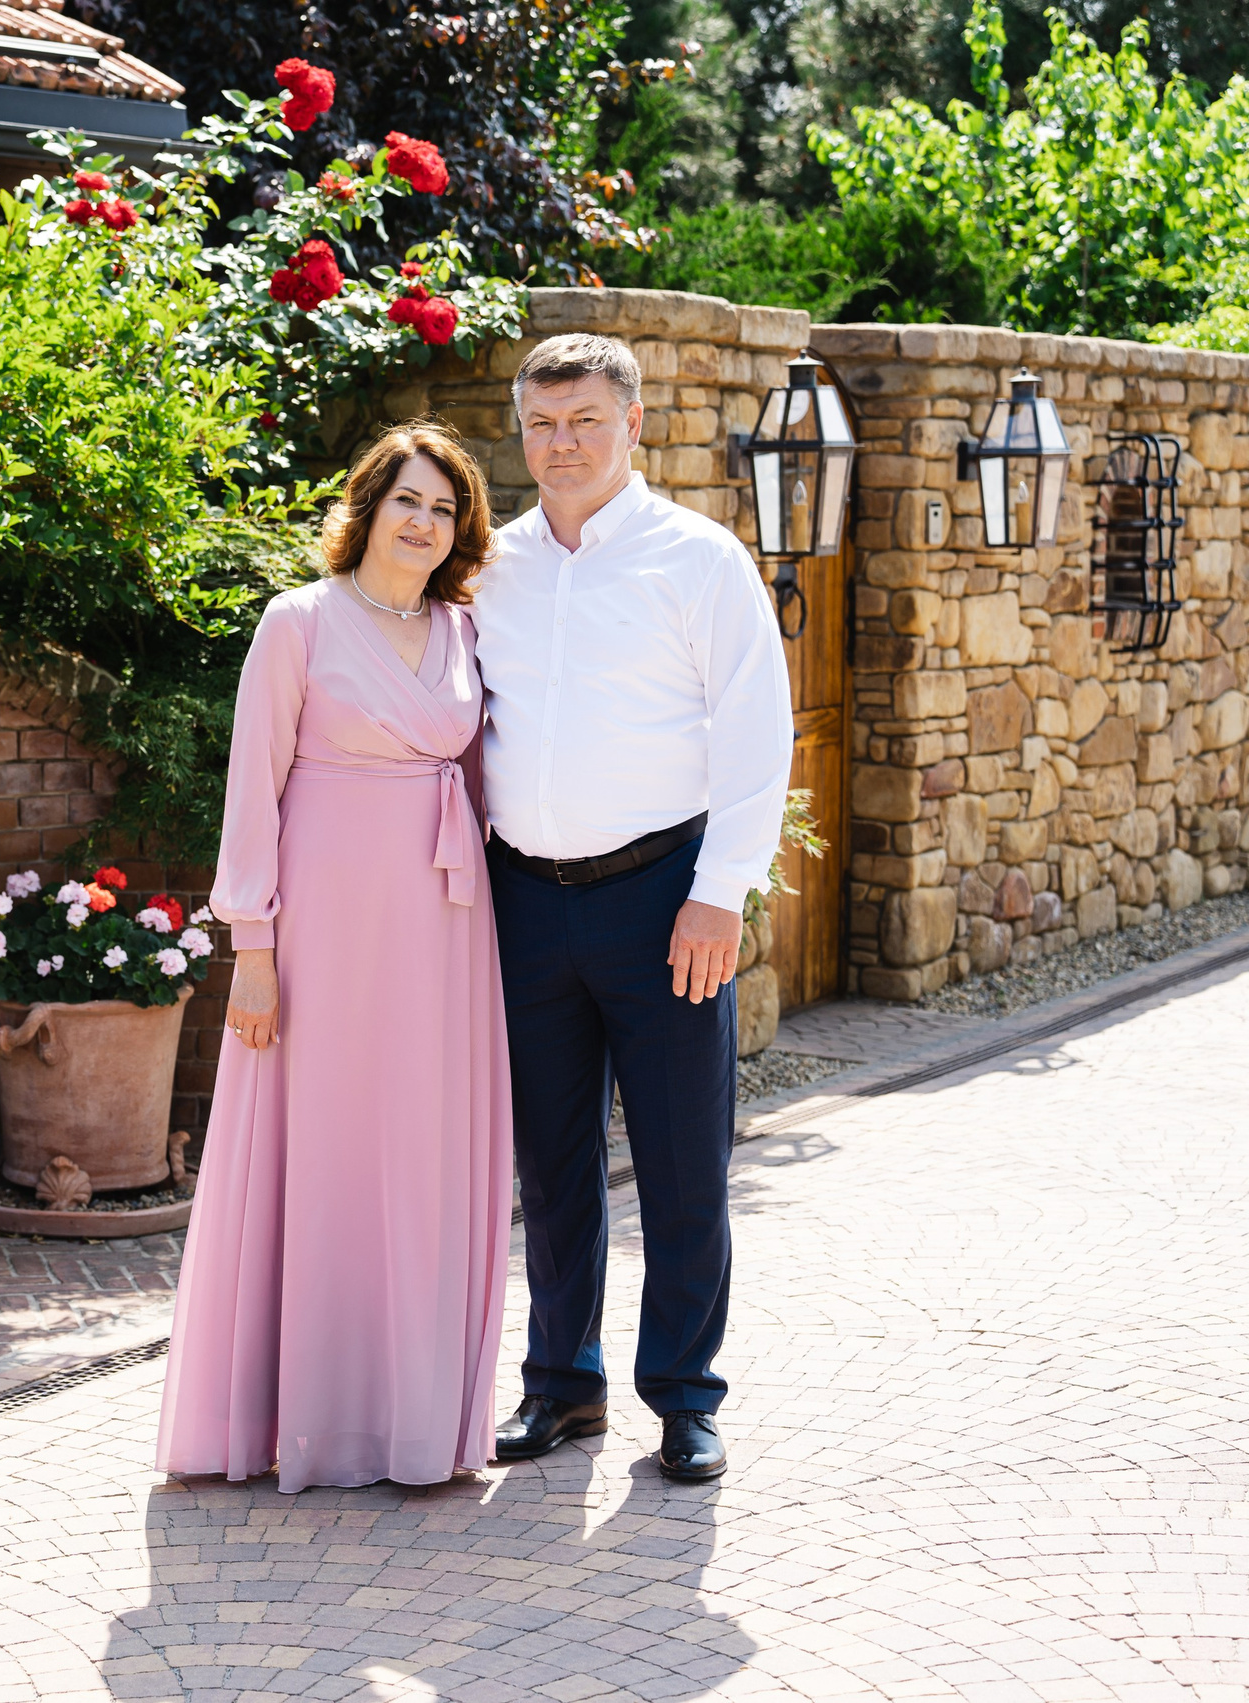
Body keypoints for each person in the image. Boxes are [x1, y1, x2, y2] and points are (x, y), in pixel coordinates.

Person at [156, 423, 514, 1493]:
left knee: (421, 1158)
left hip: (443, 933)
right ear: (366, 506)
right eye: (407, 499)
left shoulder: (465, 630)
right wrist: (252, 945)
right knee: (314, 1148)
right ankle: (296, 1416)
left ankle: (415, 1420)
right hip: (320, 922)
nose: (423, 522)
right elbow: (251, 790)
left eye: (444, 508)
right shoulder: (298, 622)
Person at [474, 334, 794, 1481]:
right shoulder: (490, 566)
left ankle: (685, 1395)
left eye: (585, 421)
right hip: (522, 901)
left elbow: (758, 737)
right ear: (521, 432)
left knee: (679, 1160)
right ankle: (562, 1384)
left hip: (664, 899)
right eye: (544, 424)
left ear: (634, 425)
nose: (563, 444)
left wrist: (719, 895)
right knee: (551, 1166)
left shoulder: (697, 560)